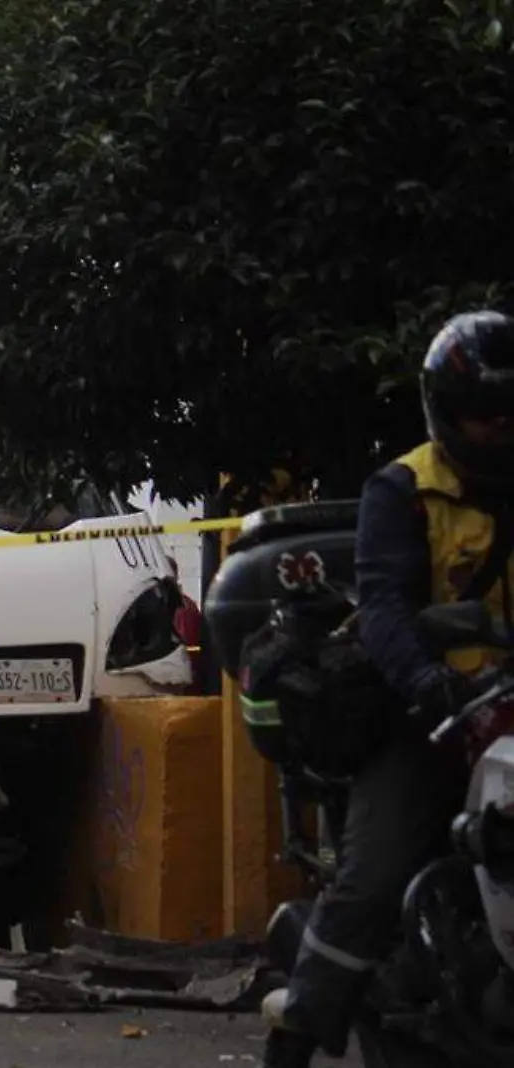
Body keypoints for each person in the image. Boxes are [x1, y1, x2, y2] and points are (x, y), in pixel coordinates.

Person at [261, 311, 514, 1065]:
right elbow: (384, 607)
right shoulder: (403, 490)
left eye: (510, 415)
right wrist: (429, 683)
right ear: (446, 412)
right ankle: (298, 1029)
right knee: (370, 884)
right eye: (482, 416)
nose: (498, 431)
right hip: (432, 721)